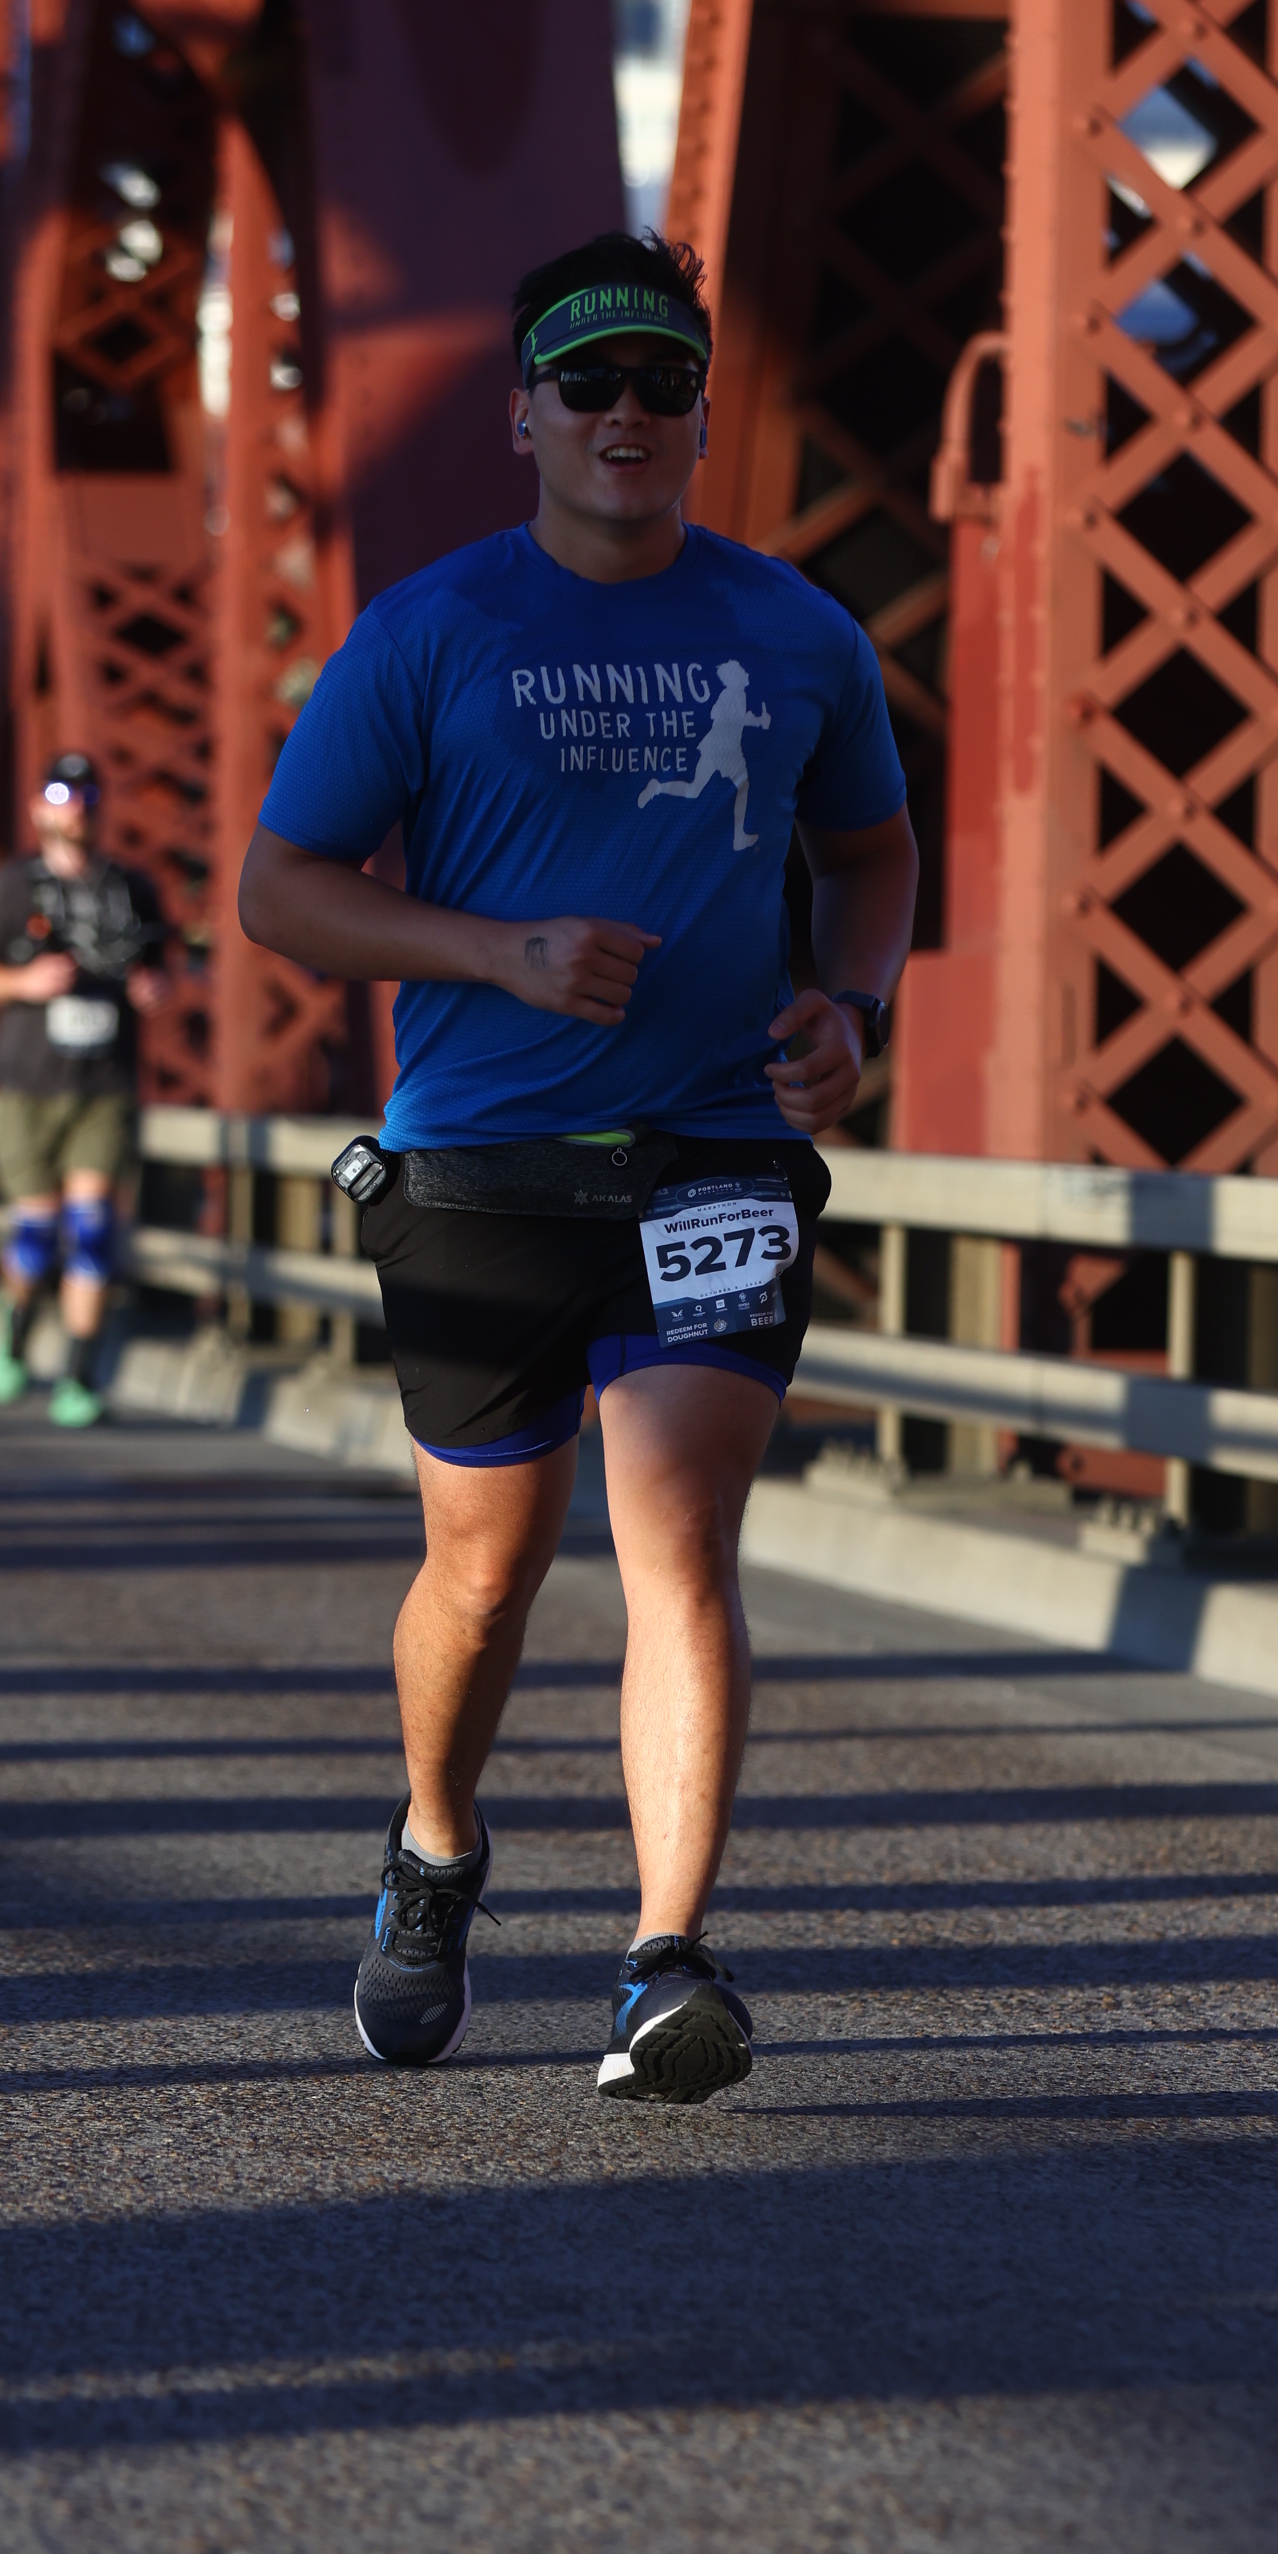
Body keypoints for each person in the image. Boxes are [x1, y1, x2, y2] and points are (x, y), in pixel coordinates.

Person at [238, 227, 917, 2107]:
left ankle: (665, 1959)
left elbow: (871, 851)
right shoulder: (431, 633)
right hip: (481, 1165)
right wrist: (495, 951)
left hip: (716, 1151)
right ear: (524, 416)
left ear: (698, 414)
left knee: (677, 1542)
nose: (628, 412)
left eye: (662, 382)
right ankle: (434, 1844)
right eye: (589, 382)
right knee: (484, 1570)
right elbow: (279, 889)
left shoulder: (795, 632)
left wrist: (851, 1001)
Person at [0, 750, 171, 1429]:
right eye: (59, 793)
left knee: (92, 1230)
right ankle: (14, 1325)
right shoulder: (13, 886)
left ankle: (79, 1376)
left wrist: (153, 989)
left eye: (85, 795)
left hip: (103, 1083)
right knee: (35, 1233)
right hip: (28, 1083)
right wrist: (21, 983)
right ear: (37, 807)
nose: (74, 807)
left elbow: (164, 970)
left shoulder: (132, 890)